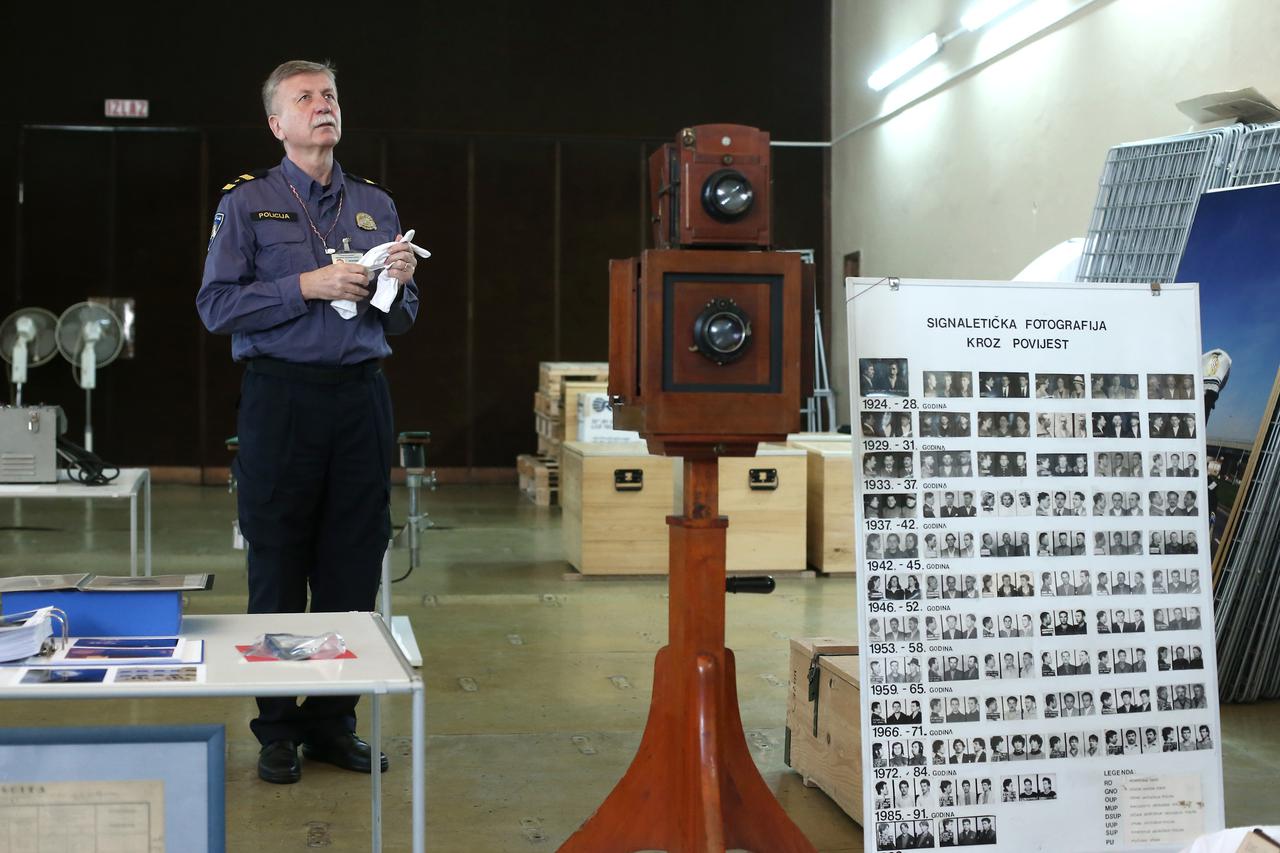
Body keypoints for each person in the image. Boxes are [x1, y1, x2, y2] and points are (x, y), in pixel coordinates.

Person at [198, 60, 420, 785]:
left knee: (352, 563)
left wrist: (396, 284)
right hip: (281, 398)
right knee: (278, 558)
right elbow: (217, 307)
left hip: (360, 398)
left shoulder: (374, 204)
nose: (323, 106)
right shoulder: (248, 203)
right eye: (305, 98)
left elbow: (401, 319)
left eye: (329, 96)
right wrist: (306, 285)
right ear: (278, 123)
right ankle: (277, 728)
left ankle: (331, 720)